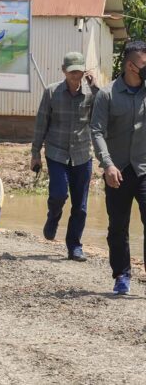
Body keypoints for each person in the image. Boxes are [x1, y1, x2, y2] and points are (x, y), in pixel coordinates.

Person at [90, 40, 146, 296]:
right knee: (118, 226)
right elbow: (97, 131)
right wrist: (108, 164)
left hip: (144, 169)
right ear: (131, 66)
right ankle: (122, 274)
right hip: (118, 171)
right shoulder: (107, 94)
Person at [31, 52, 98, 262]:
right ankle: (53, 217)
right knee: (59, 194)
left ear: (84, 71)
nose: (75, 76)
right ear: (64, 71)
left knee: (81, 205)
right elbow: (41, 123)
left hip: (82, 154)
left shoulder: (92, 93)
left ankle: (74, 246)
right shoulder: (52, 92)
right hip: (56, 152)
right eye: (71, 72)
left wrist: (96, 87)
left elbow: (103, 115)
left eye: (79, 71)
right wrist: (35, 153)